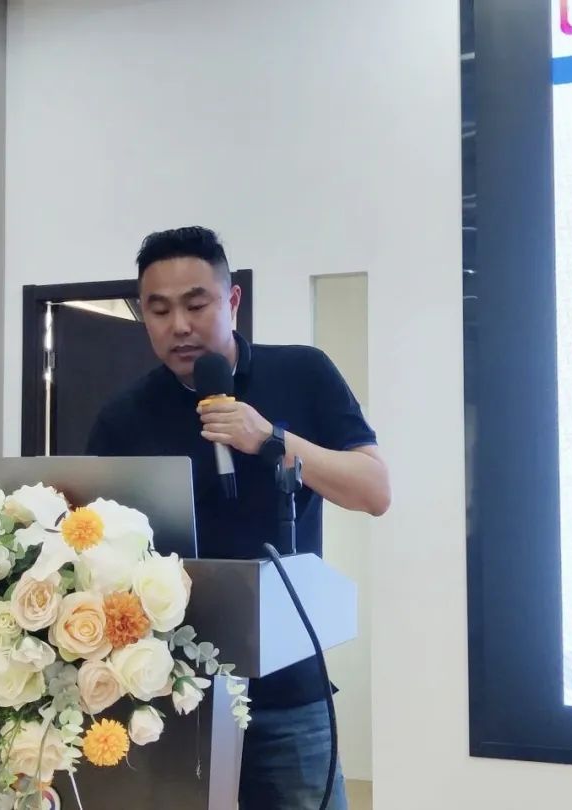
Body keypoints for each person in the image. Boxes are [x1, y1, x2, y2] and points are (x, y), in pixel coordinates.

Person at [86, 226, 390, 810]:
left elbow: (374, 490)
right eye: (159, 310)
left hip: (290, 687)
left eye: (196, 304)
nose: (179, 325)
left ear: (232, 301)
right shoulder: (123, 417)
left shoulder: (303, 372)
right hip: (171, 690)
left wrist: (272, 440)